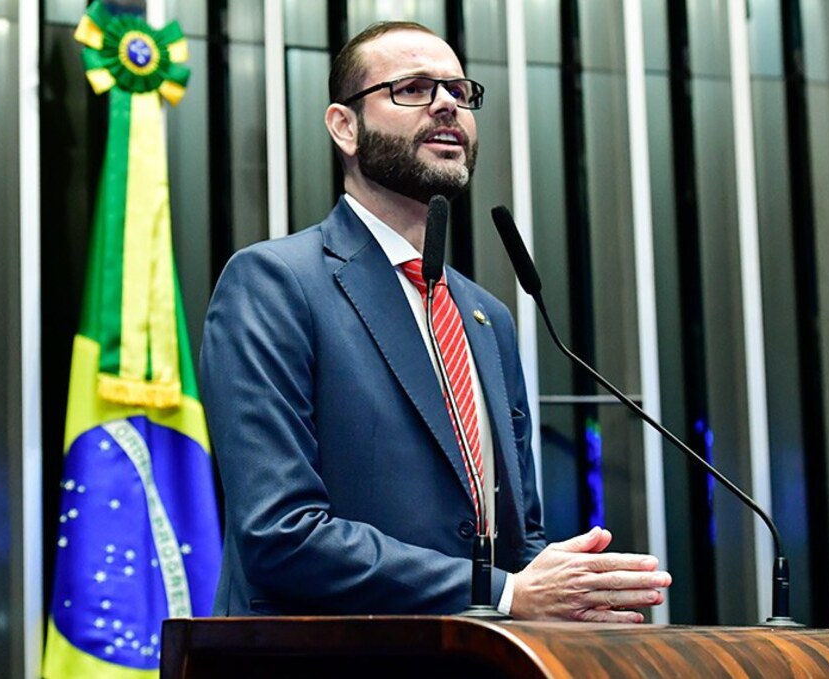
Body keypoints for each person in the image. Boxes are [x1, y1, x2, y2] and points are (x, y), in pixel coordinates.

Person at [200, 20, 671, 621]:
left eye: (459, 90)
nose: (448, 103)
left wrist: (571, 593)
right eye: (414, 89)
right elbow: (280, 534)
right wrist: (504, 594)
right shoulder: (275, 282)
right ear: (345, 127)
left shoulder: (485, 317)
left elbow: (515, 539)